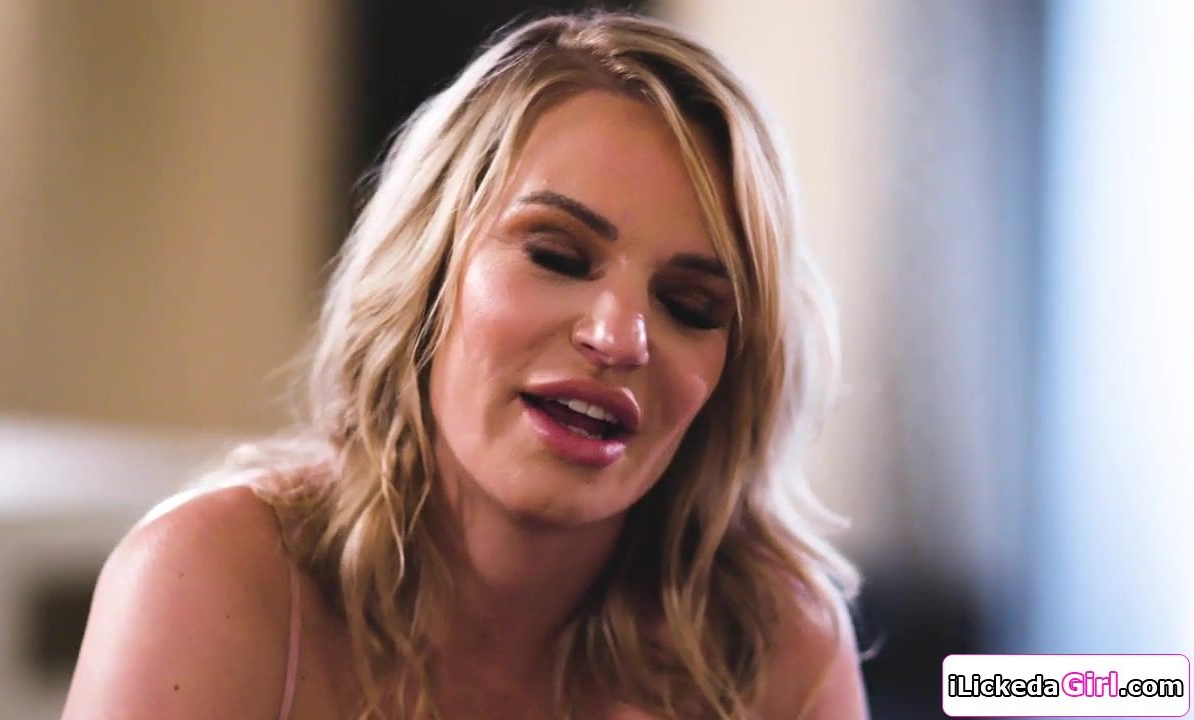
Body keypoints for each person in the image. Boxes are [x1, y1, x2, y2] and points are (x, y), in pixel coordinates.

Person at [61, 11, 867, 720]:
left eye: (689, 305)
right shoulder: (213, 581)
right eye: (556, 256)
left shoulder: (775, 649)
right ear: (430, 269)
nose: (619, 338)